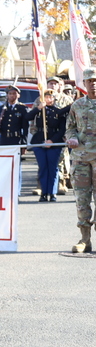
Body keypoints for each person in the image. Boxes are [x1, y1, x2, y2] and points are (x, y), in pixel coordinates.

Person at [65, 67, 96, 253]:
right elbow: (70, 127)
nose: (93, 83)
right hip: (81, 159)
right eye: (90, 80)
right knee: (82, 200)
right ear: (84, 84)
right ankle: (85, 239)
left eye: (95, 80)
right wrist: (72, 137)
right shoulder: (77, 105)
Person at [26, 89, 70, 202]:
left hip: (54, 142)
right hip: (40, 140)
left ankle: (53, 192)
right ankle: (44, 193)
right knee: (43, 168)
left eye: (51, 97)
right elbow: (27, 117)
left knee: (53, 168)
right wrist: (38, 108)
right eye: (46, 97)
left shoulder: (58, 112)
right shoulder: (40, 110)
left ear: (54, 99)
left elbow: (62, 129)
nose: (48, 99)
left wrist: (52, 140)